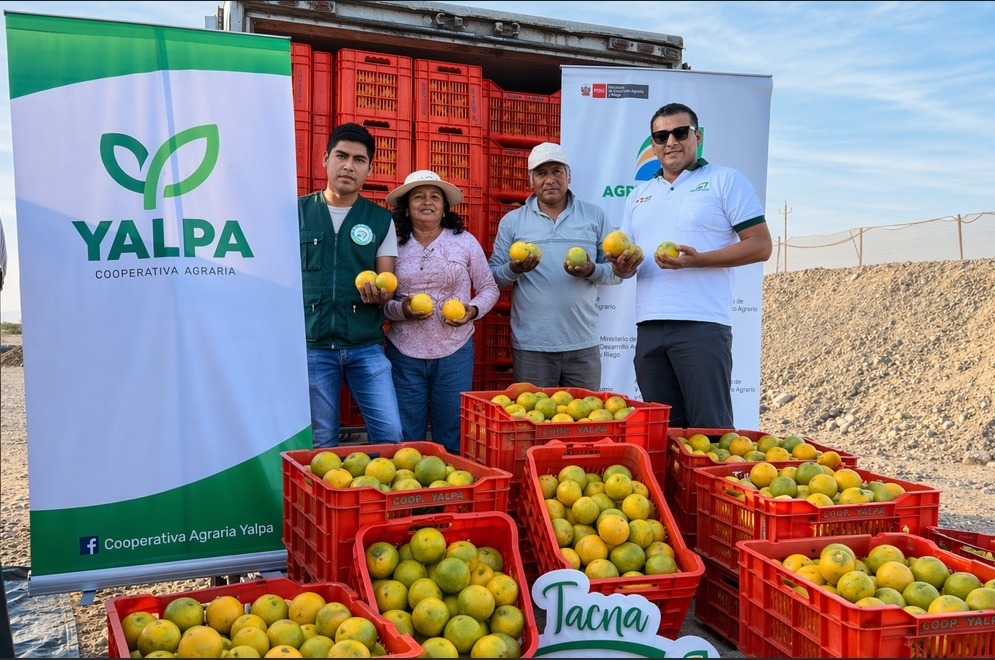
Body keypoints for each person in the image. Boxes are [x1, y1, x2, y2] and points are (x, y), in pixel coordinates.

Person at [607, 102, 772, 428]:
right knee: (662, 434)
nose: (671, 141)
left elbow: (760, 245)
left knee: (709, 432)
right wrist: (622, 266)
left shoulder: (725, 180)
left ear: (696, 136)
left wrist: (697, 261)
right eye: (661, 135)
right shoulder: (639, 195)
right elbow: (624, 267)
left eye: (680, 132)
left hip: (702, 325)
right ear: (652, 145)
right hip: (649, 327)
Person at [298, 122, 404, 448]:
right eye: (341, 156)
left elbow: (387, 280)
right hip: (312, 345)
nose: (348, 165)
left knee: (390, 436)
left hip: (365, 346)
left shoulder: (380, 219)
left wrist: (382, 294)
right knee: (321, 442)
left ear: (369, 169)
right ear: (325, 159)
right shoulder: (296, 212)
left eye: (359, 160)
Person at [383, 170, 499, 455]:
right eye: (419, 196)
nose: (427, 201)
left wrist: (471, 311)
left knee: (451, 433)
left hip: (455, 353)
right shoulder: (393, 246)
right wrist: (402, 310)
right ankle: (411, 496)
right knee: (407, 434)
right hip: (404, 353)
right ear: (406, 208)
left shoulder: (464, 242)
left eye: (435, 196)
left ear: (445, 207)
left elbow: (489, 288)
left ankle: (448, 495)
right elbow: (383, 300)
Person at [488, 142, 621, 389]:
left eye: (556, 171)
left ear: (569, 176)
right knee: (533, 423)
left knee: (587, 423)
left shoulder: (594, 215)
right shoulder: (512, 222)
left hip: (583, 344)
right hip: (532, 346)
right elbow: (494, 277)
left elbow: (615, 274)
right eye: (541, 173)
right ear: (531, 181)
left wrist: (591, 270)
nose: (550, 180)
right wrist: (515, 269)